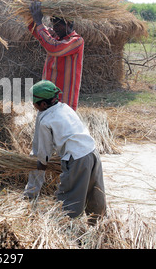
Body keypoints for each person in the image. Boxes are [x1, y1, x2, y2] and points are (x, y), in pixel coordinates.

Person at [24, 80, 106, 224]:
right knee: (95, 195)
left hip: (77, 160)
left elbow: (44, 152)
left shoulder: (45, 120)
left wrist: (40, 168)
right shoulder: (65, 108)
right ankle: (99, 227)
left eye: (34, 102)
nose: (33, 105)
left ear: (43, 104)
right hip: (92, 153)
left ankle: (67, 234)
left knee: (68, 200)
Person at [28, 1, 85, 111]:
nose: (55, 28)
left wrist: (39, 22)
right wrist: (31, 15)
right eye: (53, 25)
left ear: (68, 23)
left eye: (58, 25)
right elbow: (36, 30)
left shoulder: (76, 41)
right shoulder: (56, 36)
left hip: (63, 98)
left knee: (60, 124)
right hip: (47, 96)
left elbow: (53, 48)